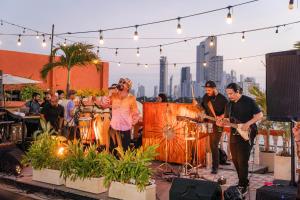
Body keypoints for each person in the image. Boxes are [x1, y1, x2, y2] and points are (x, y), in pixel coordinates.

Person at [217, 83, 263, 197]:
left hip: (247, 134)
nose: (229, 96)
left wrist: (248, 123)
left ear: (238, 91)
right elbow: (228, 121)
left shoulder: (249, 101)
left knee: (243, 160)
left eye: (231, 93)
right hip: (234, 135)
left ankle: (242, 185)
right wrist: (220, 123)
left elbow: (260, 115)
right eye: (227, 94)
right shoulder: (229, 105)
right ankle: (243, 181)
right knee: (235, 160)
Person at [101, 78, 139, 151]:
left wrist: (132, 123)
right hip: (113, 128)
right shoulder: (113, 96)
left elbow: (135, 113)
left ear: (128, 87)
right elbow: (104, 106)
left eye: (123, 82)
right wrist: (106, 97)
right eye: (120, 82)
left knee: (124, 152)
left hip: (125, 129)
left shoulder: (131, 98)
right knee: (112, 151)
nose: (121, 83)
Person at [199, 80, 228, 174]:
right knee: (211, 145)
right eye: (206, 90)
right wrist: (201, 110)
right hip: (209, 123)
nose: (207, 92)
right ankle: (217, 160)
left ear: (215, 89)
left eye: (209, 90)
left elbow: (228, 112)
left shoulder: (223, 99)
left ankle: (215, 167)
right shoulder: (205, 97)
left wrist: (222, 116)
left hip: (218, 124)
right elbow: (202, 108)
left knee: (214, 144)